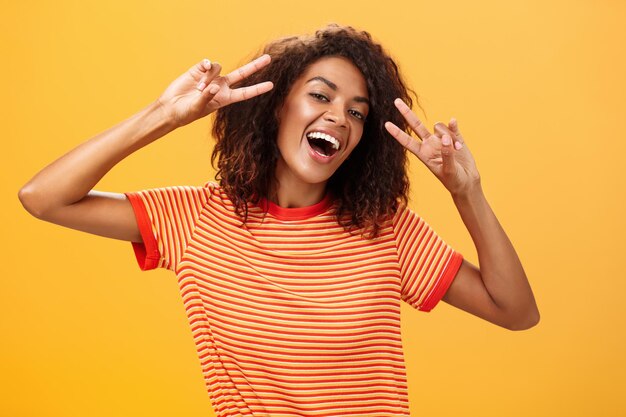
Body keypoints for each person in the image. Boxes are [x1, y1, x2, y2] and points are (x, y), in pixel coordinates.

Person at [19, 24, 539, 417]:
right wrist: (164, 114)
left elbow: (515, 311)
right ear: (274, 107)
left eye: (357, 112)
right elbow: (44, 198)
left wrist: (466, 192)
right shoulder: (194, 219)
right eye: (320, 95)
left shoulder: (387, 230)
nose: (339, 116)